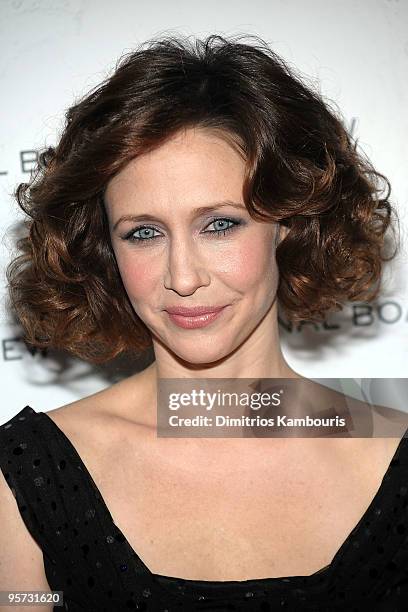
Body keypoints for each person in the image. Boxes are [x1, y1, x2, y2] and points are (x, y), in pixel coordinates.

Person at [0, 33, 407, 611]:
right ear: (105, 249)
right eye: (144, 233)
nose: (183, 277)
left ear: (289, 222)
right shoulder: (28, 477)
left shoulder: (395, 456)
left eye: (219, 225)